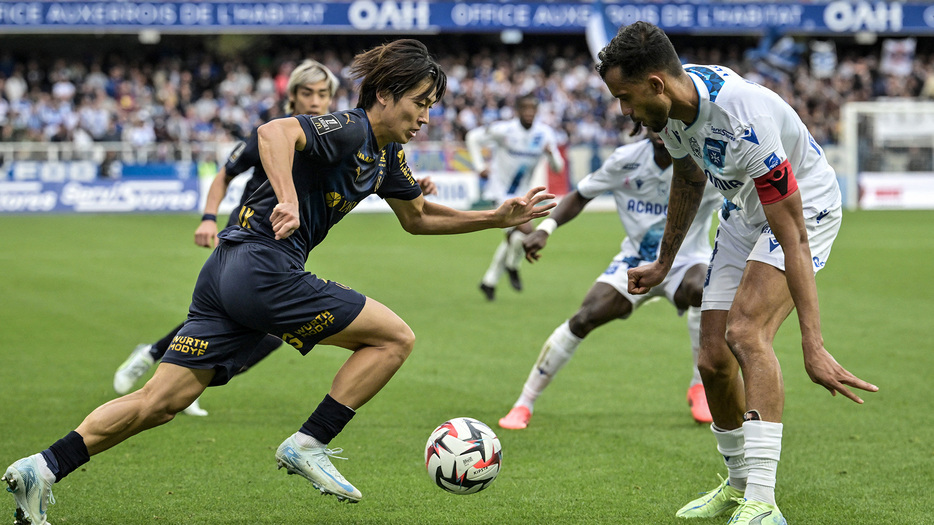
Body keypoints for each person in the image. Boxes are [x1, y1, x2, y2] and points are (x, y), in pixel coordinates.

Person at [2, 39, 555, 524]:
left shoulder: (387, 157)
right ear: (385, 93)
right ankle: (310, 441)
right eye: (420, 103)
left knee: (158, 402)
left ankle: (42, 468)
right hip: (263, 268)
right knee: (394, 338)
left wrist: (494, 218)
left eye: (431, 106)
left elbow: (419, 218)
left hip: (226, 275)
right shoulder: (350, 127)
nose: (427, 117)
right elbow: (273, 131)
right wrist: (287, 199)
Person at [596, 22, 878, 525]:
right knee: (711, 359)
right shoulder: (669, 111)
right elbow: (688, 177)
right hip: (743, 211)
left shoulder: (741, 119)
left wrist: (812, 342)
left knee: (747, 332)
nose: (624, 110)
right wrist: (664, 262)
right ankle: (739, 484)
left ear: (656, 84)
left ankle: (765, 503)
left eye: (626, 96)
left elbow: (792, 234)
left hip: (803, 210)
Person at [110, 59, 441, 416]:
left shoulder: (335, 137)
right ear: (292, 96)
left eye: (323, 94)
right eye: (307, 93)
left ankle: (190, 376)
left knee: (261, 333)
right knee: (248, 316)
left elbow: (363, 176)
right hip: (249, 239)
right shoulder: (277, 133)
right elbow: (226, 174)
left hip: (282, 243)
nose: (316, 102)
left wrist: (406, 188)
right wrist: (209, 218)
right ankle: (156, 354)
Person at [498, 129, 721, 431]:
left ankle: (699, 386)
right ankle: (524, 403)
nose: (660, 128)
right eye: (654, 121)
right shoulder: (626, 160)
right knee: (584, 318)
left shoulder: (704, 162)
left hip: (686, 261)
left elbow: (741, 198)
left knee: (705, 290)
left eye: (668, 121)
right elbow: (581, 194)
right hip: (634, 262)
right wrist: (546, 229)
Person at [466, 94, 564, 301]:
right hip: (499, 193)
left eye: (533, 109)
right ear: (518, 111)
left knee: (514, 239)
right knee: (527, 233)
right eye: (525, 109)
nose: (529, 113)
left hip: (523, 195)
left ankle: (489, 282)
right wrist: (480, 166)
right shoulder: (505, 130)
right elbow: (472, 137)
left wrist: (551, 154)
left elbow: (558, 167)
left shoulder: (544, 133)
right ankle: (512, 266)